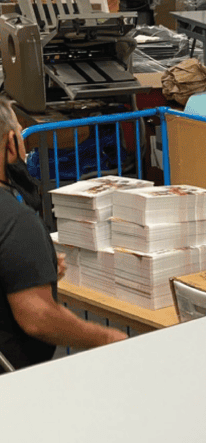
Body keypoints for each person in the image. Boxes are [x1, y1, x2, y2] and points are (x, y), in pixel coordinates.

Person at [0, 98, 127, 372]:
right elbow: (38, 318)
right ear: (11, 144)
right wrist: (106, 337)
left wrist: (28, 269)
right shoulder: (16, 220)